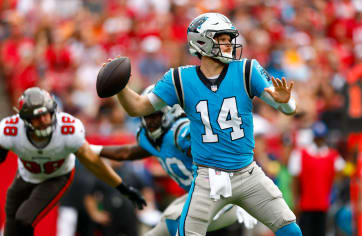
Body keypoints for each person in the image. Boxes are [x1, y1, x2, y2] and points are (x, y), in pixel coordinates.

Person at [109, 12, 301, 236]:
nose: (229, 44)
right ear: (201, 42)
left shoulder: (247, 70)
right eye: (222, 39)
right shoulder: (179, 79)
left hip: (248, 174)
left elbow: (289, 108)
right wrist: (120, 87)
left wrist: (285, 102)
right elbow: (138, 107)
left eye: (230, 39)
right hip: (208, 179)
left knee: (291, 231)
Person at [94, 85, 258, 236]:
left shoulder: (180, 132)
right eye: (146, 117)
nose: (150, 122)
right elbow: (126, 153)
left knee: (175, 219)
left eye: (155, 116)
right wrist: (91, 149)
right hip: (203, 199)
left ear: (169, 112)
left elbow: (212, 152)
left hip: (224, 197)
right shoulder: (153, 140)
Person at [0, 87, 147, 236]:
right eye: (37, 117)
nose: (44, 120)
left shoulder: (68, 130)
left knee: (24, 218)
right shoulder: (9, 130)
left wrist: (122, 187)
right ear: (25, 120)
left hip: (56, 177)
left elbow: (95, 164)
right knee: (11, 217)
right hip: (26, 175)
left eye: (46, 114)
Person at [288, 121, 345, 236]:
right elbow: (295, 180)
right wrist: (296, 200)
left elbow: (341, 172)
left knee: (321, 231)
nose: (319, 140)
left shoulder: (331, 155)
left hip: (323, 204)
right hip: (306, 204)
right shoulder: (301, 154)